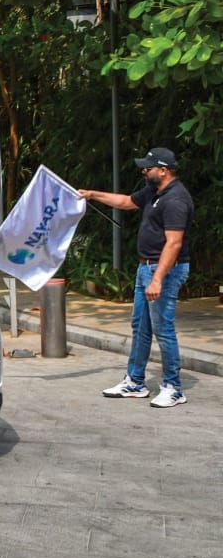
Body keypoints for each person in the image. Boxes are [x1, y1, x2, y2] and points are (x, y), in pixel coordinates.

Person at [79, 147, 194, 408]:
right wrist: (92, 195)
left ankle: (174, 387)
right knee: (140, 328)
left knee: (163, 330)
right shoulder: (155, 191)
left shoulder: (176, 199)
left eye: (149, 168)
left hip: (163, 271)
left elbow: (174, 244)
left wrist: (158, 279)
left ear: (163, 170)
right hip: (146, 268)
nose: (144, 171)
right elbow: (127, 202)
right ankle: (135, 382)